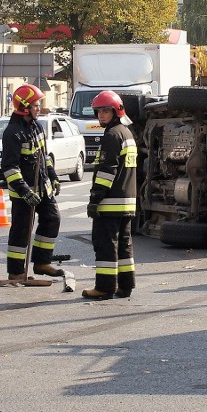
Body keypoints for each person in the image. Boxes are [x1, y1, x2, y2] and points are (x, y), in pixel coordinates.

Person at [0, 84, 63, 281]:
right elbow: (10, 168)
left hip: (43, 189)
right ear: (25, 107)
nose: (39, 108)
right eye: (36, 105)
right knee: (21, 231)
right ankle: (16, 272)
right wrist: (25, 192)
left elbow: (45, 157)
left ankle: (42, 262)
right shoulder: (13, 133)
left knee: (52, 218)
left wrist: (53, 176)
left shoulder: (37, 126)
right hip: (23, 194)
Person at [83, 90, 138, 299]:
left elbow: (107, 172)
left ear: (116, 111)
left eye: (106, 111)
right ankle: (125, 286)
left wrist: (95, 199)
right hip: (126, 202)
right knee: (124, 246)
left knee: (106, 245)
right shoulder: (127, 133)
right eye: (99, 111)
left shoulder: (112, 136)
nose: (101, 116)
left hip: (110, 203)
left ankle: (104, 288)